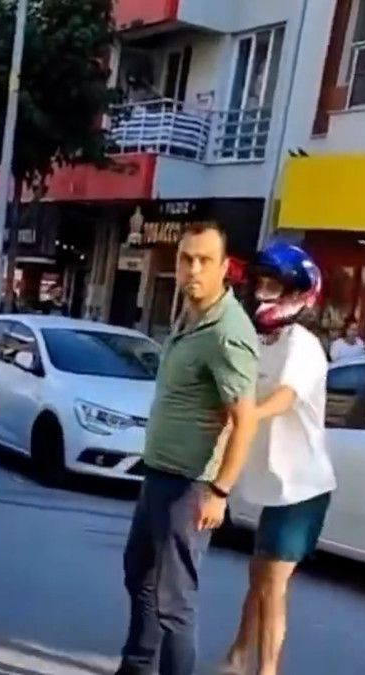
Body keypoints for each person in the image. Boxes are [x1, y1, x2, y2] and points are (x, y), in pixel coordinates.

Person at [116, 223, 261, 675]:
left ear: (224, 268)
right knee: (139, 573)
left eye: (204, 261)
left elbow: (246, 418)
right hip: (160, 474)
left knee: (174, 602)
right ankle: (137, 666)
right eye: (186, 259)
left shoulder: (226, 332)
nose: (193, 269)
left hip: (190, 485)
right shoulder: (191, 317)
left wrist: (219, 491)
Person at [220, 242, 336, 675]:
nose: (263, 293)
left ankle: (265, 670)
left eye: (274, 285)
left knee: (272, 587)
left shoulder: (302, 345)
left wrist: (249, 414)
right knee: (258, 579)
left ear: (299, 294)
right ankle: (237, 656)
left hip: (301, 488)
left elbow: (286, 396)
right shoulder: (260, 341)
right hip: (273, 485)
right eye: (261, 283)